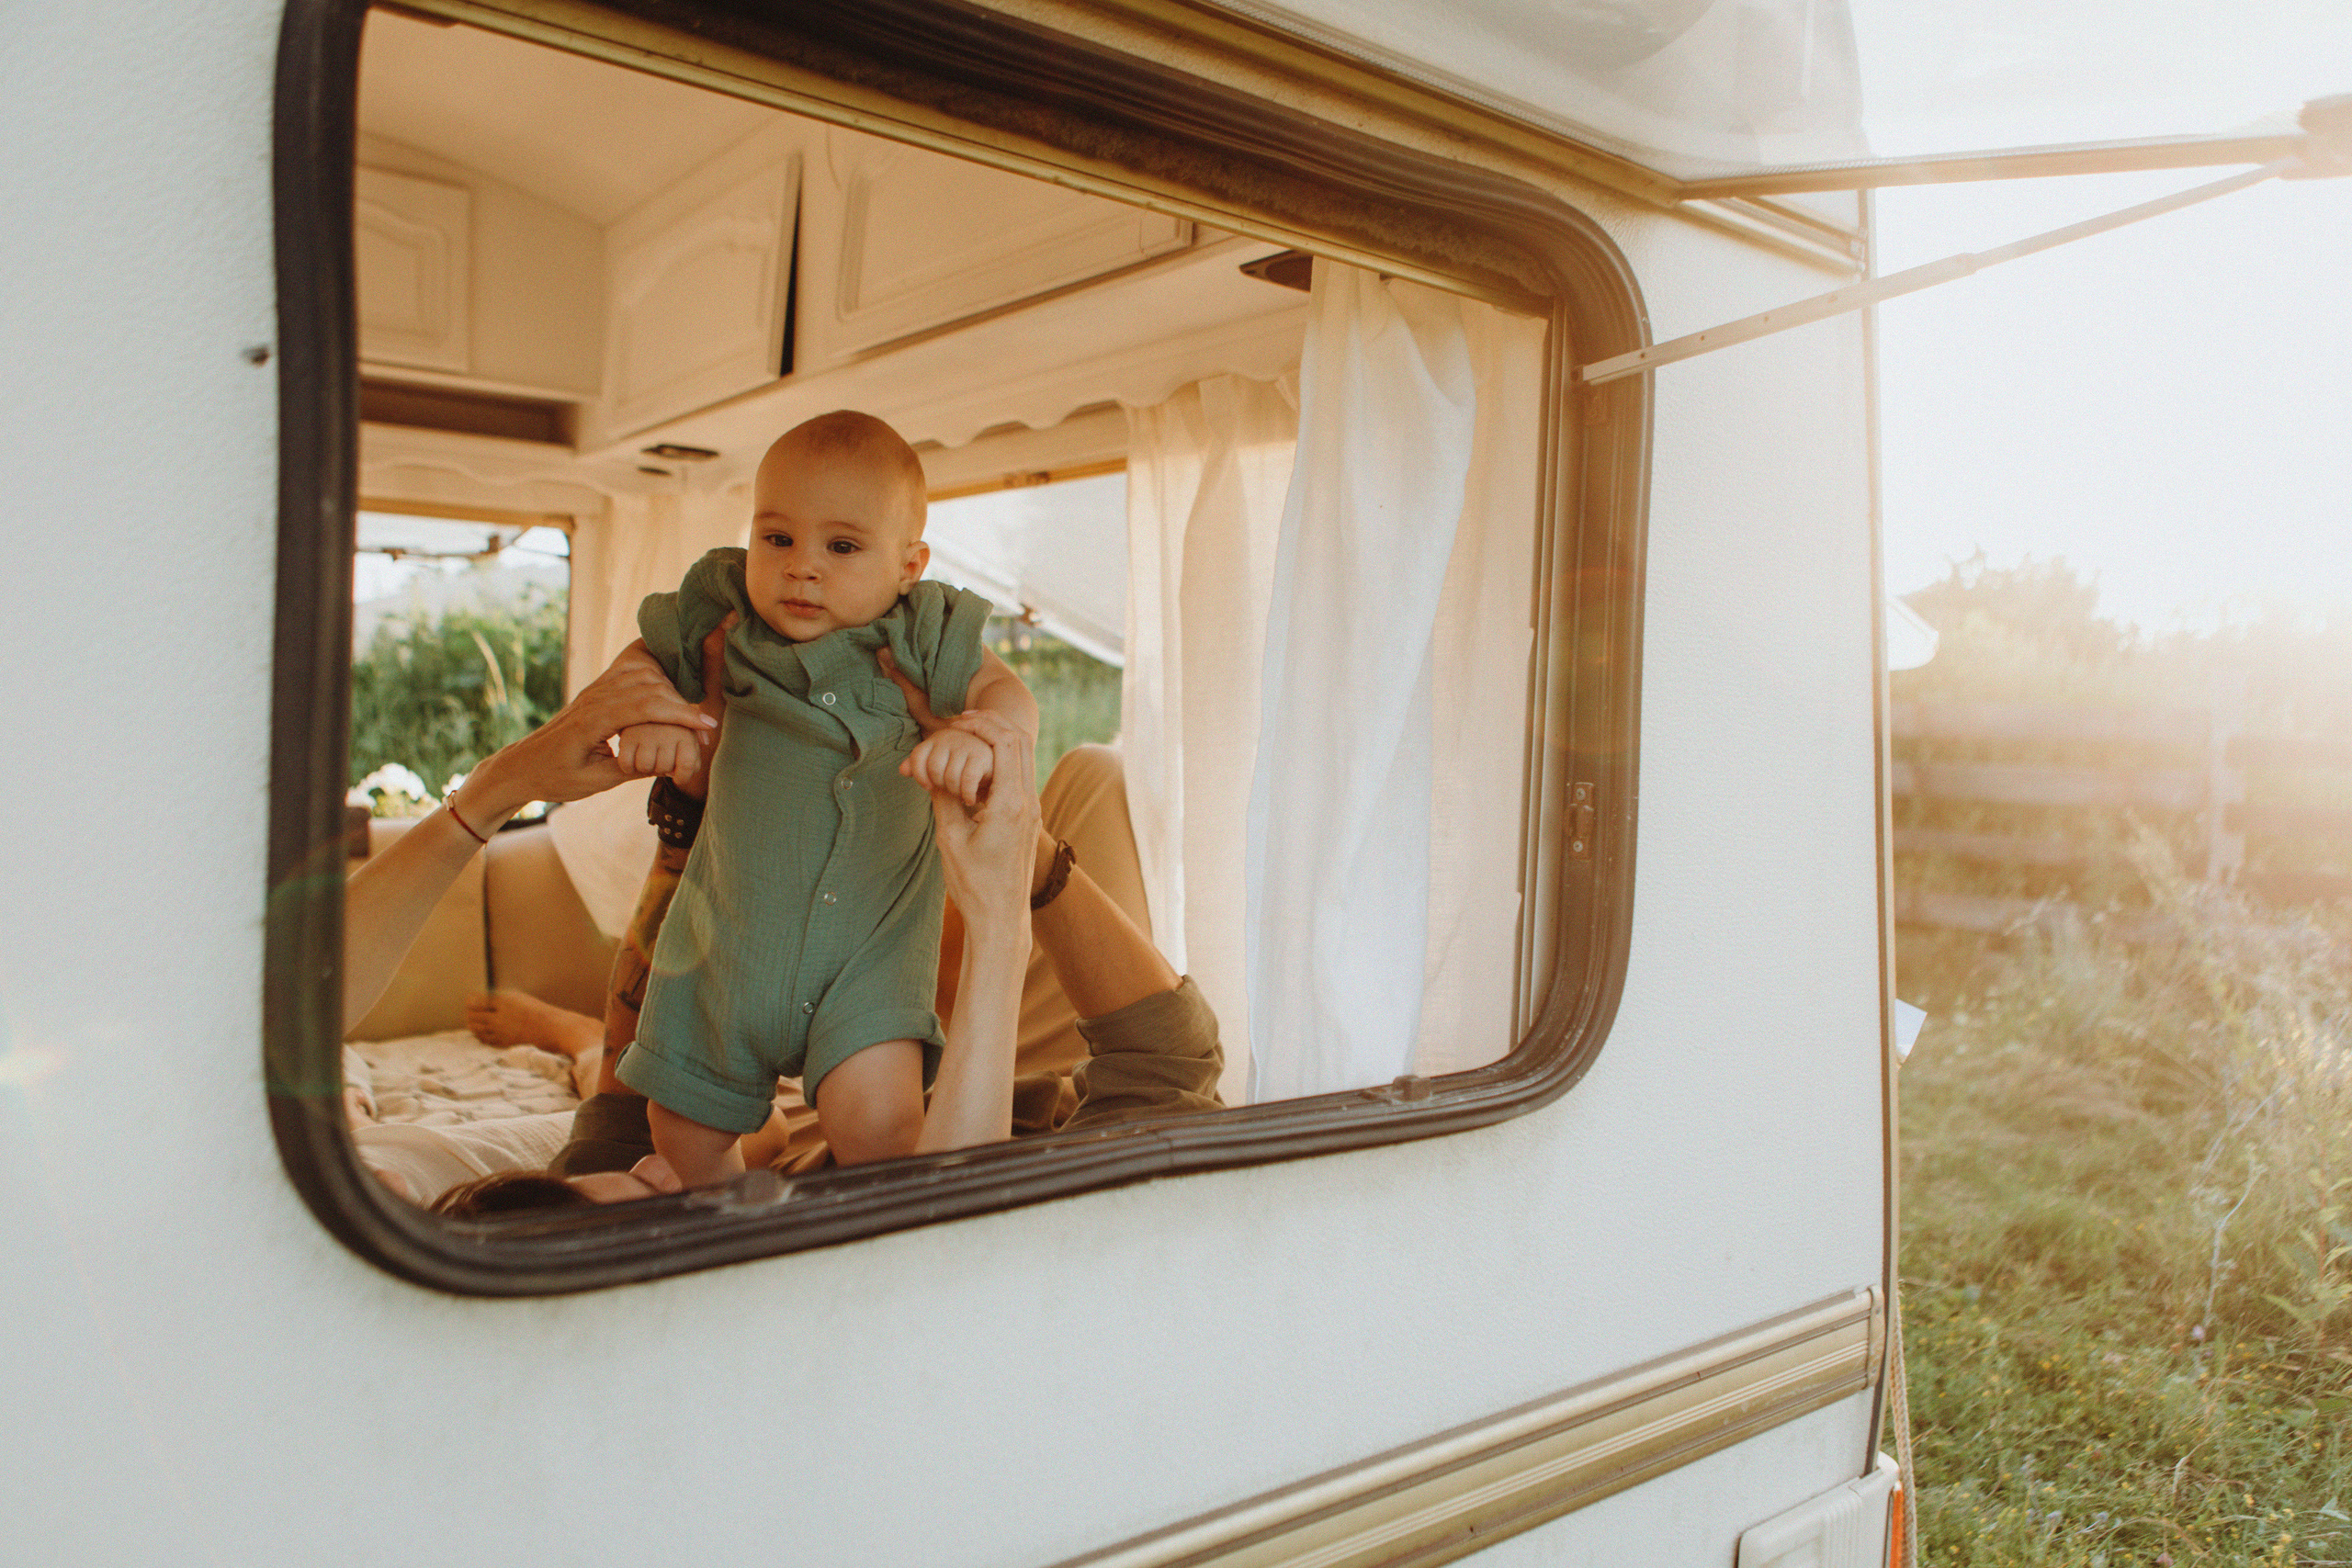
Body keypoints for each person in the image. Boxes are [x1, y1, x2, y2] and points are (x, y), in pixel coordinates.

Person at [605, 410, 1040, 1187]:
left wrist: (978, 736)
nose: (802, 567)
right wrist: (655, 719)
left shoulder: (924, 634)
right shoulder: (726, 615)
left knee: (877, 1124)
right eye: (778, 539)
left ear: (909, 564)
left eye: (841, 546)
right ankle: (736, 1221)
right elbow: (645, 661)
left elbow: (1010, 694)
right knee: (678, 1130)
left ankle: (850, 1245)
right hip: (726, 952)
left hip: (868, 961)